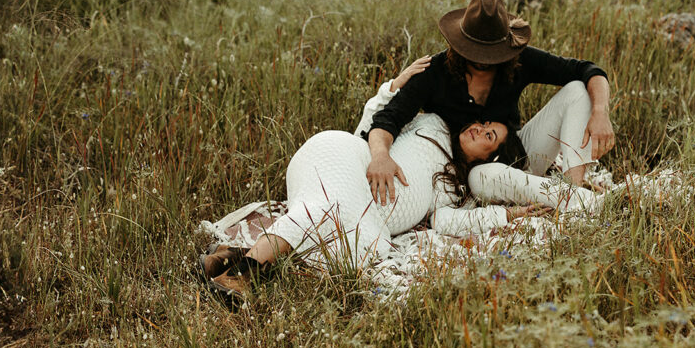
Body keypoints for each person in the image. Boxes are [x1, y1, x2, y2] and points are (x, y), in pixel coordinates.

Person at [197, 59, 542, 310]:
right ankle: (242, 274)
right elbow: (367, 130)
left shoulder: (456, 189)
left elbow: (448, 222)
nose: (478, 128)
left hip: (366, 211)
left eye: (489, 135)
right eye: (482, 122)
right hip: (345, 158)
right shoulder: (432, 123)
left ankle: (235, 258)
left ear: (489, 159)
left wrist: (509, 216)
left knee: (369, 246)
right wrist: (394, 86)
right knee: (333, 209)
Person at [364, 0, 615, 211]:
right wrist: (380, 155)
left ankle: (572, 192)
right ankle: (572, 200)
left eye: (492, 52)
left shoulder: (519, 60)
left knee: (577, 90)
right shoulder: (433, 72)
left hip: (520, 156)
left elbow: (589, 70)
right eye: (476, 51)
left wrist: (600, 113)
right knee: (483, 177)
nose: (484, 59)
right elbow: (387, 119)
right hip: (476, 178)